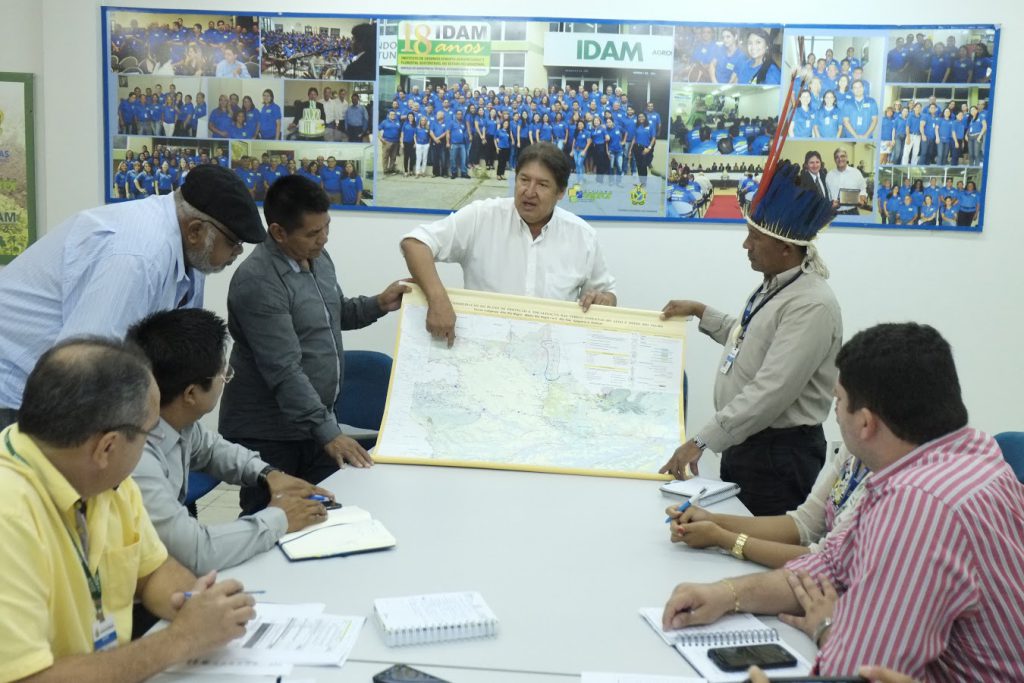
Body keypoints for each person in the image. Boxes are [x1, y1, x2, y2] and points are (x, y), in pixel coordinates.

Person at [662, 323, 1024, 680]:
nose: (834, 412)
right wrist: (726, 594)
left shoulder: (919, 504)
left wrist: (826, 628)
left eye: (838, 400)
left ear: (865, 423)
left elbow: (860, 671)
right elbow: (830, 567)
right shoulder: (973, 454)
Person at [0, 337, 256, 682]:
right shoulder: (10, 515)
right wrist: (182, 639)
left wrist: (195, 603)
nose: (153, 444)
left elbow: (152, 569)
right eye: (150, 433)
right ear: (107, 447)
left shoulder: (101, 478)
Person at [0, 164, 266, 429]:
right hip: (14, 392)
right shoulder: (138, 257)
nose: (237, 253)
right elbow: (85, 367)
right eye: (233, 243)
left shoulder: (190, 252)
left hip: (49, 389)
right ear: (196, 230)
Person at [659, 160, 841, 516]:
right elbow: (751, 339)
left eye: (755, 237)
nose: (746, 244)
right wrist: (702, 311)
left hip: (779, 456)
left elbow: (771, 389)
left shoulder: (811, 304)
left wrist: (702, 440)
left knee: (756, 548)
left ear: (787, 248)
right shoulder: (776, 285)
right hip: (749, 445)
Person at [219, 175, 408, 514]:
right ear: (278, 232)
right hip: (269, 435)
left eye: (326, 228)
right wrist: (329, 433)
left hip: (313, 426)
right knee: (274, 522)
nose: (323, 239)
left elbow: (336, 313)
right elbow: (284, 369)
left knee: (331, 515)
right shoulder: (258, 281)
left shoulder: (318, 259)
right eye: (312, 233)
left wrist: (380, 303)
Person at [127, 308, 332, 574]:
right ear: (191, 393)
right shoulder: (135, 455)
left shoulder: (171, 419)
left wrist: (267, 474)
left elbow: (212, 450)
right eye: (224, 375)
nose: (226, 381)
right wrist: (279, 519)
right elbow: (196, 552)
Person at [401, 142, 617, 347]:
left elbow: (607, 295)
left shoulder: (582, 236)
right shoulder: (482, 216)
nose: (529, 192)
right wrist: (437, 299)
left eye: (542, 184)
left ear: (560, 192)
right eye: (524, 180)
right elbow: (415, 243)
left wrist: (603, 300)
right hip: (483, 353)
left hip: (550, 356)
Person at [824, 147, 867, 216]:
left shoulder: (856, 173)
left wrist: (862, 198)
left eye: (842, 156)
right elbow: (827, 194)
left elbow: (863, 189)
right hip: (834, 213)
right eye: (837, 157)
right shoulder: (829, 175)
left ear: (847, 158)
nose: (840, 159)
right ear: (834, 160)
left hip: (852, 212)